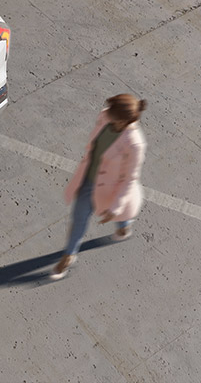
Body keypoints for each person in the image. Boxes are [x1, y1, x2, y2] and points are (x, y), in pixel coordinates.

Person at [49, 94, 148, 280]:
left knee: (119, 215)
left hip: (111, 189)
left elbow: (129, 179)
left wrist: (116, 206)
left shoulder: (135, 144)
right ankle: (69, 256)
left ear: (123, 120)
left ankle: (124, 226)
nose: (107, 114)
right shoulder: (105, 116)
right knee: (78, 218)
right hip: (88, 179)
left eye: (113, 114)